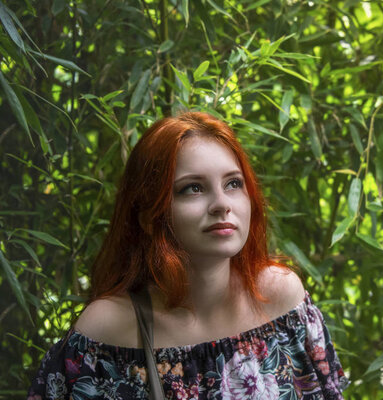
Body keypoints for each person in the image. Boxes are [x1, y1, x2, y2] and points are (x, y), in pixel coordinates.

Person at [27, 112, 348, 399]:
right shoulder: (106, 331)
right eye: (193, 188)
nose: (222, 204)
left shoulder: (280, 301)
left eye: (234, 183)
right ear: (148, 214)